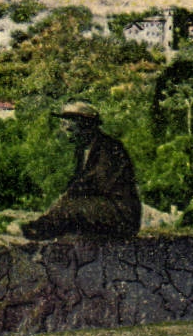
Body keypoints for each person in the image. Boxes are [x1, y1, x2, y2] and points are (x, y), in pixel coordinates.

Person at [21, 101, 142, 240]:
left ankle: (38, 231)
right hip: (104, 208)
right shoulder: (83, 149)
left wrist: (66, 199)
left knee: (70, 207)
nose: (65, 132)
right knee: (69, 206)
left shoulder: (109, 148)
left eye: (70, 129)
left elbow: (95, 183)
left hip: (121, 215)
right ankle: (41, 228)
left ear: (85, 126)